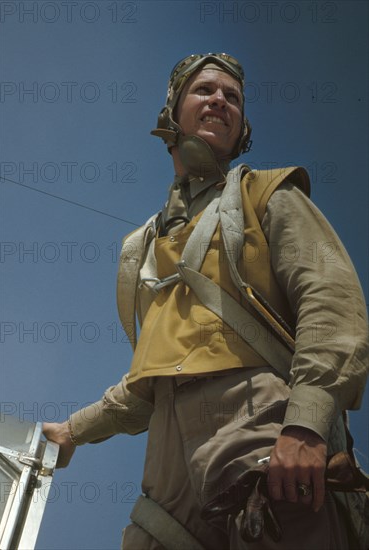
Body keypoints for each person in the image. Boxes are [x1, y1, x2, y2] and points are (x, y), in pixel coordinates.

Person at [43, 53, 368, 549]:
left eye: (232, 97)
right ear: (171, 113)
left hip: (256, 417)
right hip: (166, 464)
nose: (220, 100)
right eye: (204, 91)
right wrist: (71, 431)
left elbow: (331, 306)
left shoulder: (269, 194)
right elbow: (145, 385)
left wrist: (306, 422)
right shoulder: (145, 247)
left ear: (242, 129)